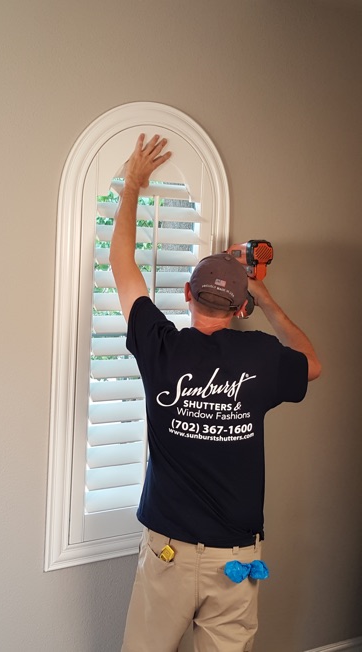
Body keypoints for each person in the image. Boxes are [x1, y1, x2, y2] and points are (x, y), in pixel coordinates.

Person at [110, 134, 321, 652]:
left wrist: (133, 185)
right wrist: (267, 297)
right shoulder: (263, 360)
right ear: (242, 309)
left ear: (186, 295)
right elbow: (313, 363)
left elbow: (122, 266)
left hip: (169, 554)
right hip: (238, 560)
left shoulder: (160, 349)